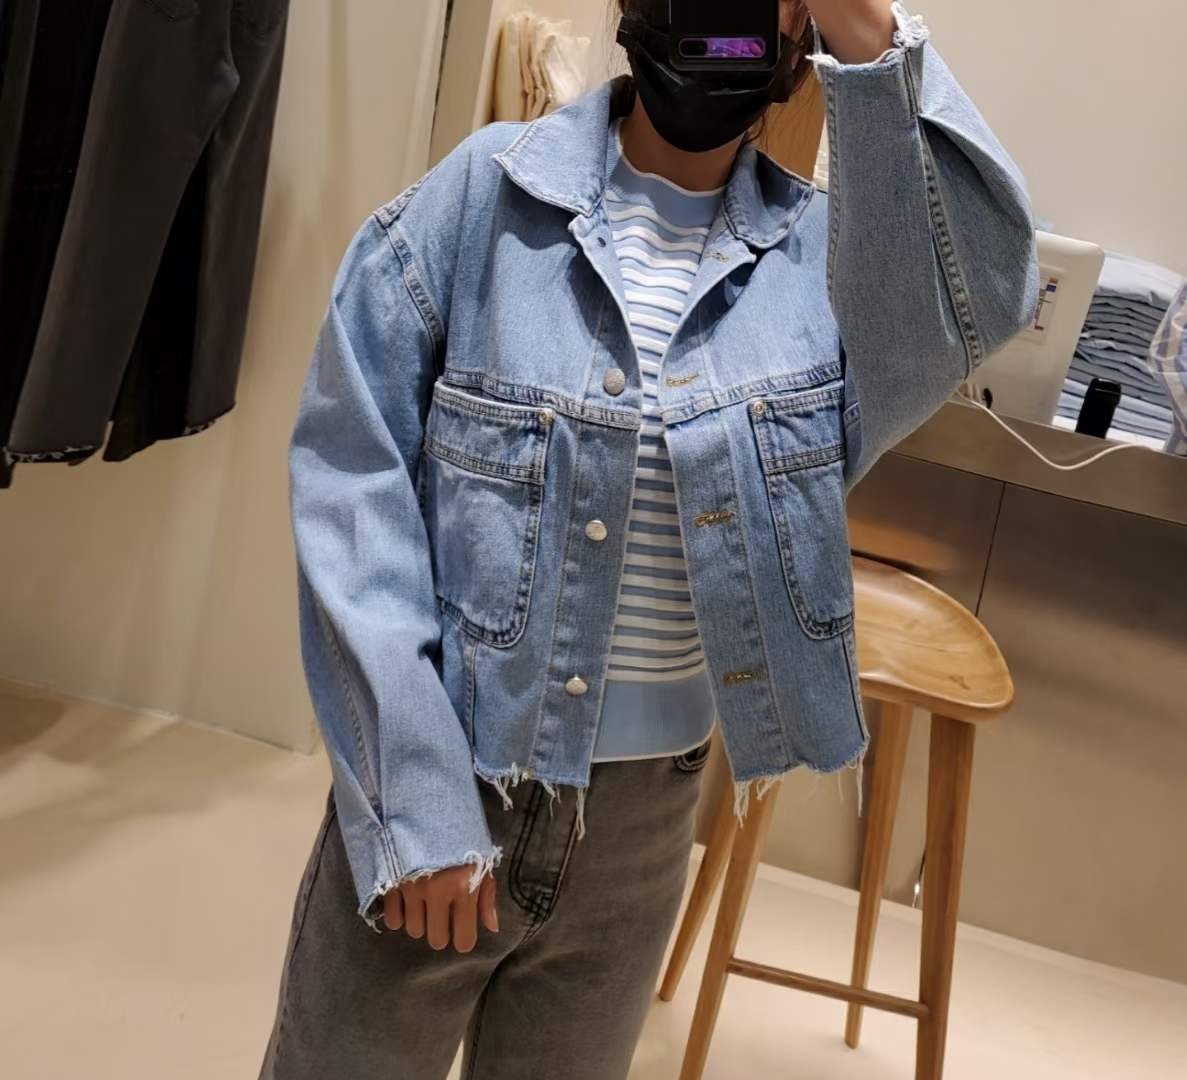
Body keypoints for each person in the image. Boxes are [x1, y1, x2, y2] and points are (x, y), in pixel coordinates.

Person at [259, 2, 1038, 1077]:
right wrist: (414, 795)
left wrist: (862, 23)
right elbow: (353, 478)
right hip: (455, 779)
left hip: (640, 836)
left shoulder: (826, 275)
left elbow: (989, 285)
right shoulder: (485, 198)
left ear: (797, 35)